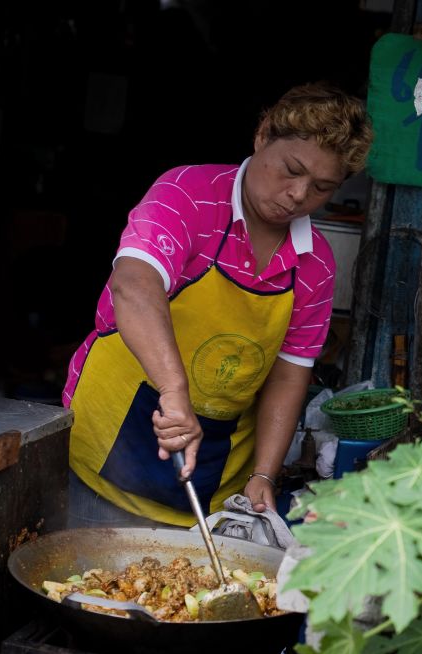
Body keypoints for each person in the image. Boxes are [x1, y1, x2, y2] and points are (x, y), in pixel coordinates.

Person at [62, 81, 374, 533]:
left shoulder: (316, 261)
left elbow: (290, 371)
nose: (297, 195)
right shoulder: (188, 194)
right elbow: (133, 285)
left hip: (216, 468)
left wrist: (264, 474)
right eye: (291, 169)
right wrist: (174, 390)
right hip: (108, 439)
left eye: (321, 188)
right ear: (263, 134)